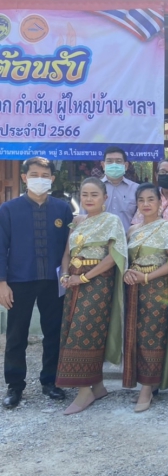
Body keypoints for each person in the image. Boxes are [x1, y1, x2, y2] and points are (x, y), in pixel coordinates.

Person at [0, 157, 73, 409]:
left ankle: (50, 381)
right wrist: (2, 283)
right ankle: (14, 386)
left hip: (53, 281)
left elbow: (70, 246)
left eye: (44, 175)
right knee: (16, 335)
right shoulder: (8, 209)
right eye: (34, 175)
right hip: (19, 281)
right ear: (24, 178)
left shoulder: (63, 209)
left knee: (53, 333)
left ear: (52, 178)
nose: (39, 179)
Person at [56, 178, 128, 415]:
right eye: (84, 194)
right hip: (74, 282)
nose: (88, 199)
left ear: (105, 198)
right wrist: (65, 274)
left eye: (94, 194)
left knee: (84, 331)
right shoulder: (77, 221)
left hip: (97, 283)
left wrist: (85, 278)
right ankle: (97, 385)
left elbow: (114, 256)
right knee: (71, 328)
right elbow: (67, 253)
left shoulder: (112, 221)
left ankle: (84, 391)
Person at [121, 183, 168, 411]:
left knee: (152, 336)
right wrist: (127, 272)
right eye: (141, 200)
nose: (146, 204)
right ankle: (145, 382)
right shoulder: (132, 230)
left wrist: (147, 277)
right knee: (135, 336)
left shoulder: (166, 228)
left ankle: (147, 388)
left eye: (151, 199)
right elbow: (125, 259)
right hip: (133, 290)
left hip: (157, 289)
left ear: (159, 202)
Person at [94, 146, 138, 232]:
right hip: (99, 239)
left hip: (128, 238)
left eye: (118, 161)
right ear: (103, 165)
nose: (114, 164)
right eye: (109, 161)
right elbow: (84, 219)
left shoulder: (136, 189)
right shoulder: (93, 189)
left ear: (126, 166)